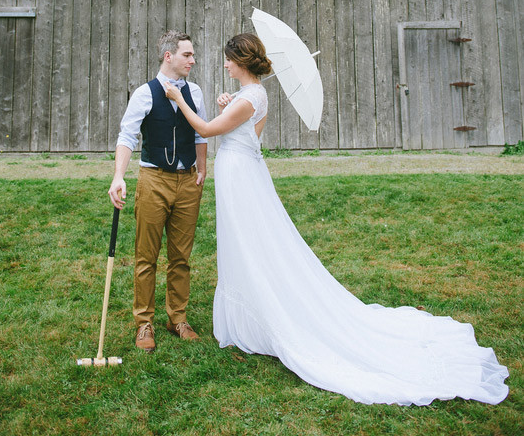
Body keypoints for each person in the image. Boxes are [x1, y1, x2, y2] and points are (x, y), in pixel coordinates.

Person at [164, 32, 509, 406]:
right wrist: (227, 103)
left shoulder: (252, 98)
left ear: (242, 61)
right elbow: (246, 133)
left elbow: (209, 130)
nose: (225, 64)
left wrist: (180, 99)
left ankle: (263, 312)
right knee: (246, 240)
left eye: (229, 59)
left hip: (240, 176)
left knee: (248, 241)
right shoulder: (255, 97)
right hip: (241, 172)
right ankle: (251, 307)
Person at [108, 30, 208, 353]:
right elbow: (127, 136)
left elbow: (200, 136)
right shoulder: (145, 94)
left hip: (188, 182)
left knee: (181, 256)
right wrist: (118, 177)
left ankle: (177, 317)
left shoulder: (195, 92)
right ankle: (144, 323)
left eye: (192, 55)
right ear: (169, 57)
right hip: (154, 181)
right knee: (146, 256)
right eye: (187, 55)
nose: (192, 60)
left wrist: (203, 169)